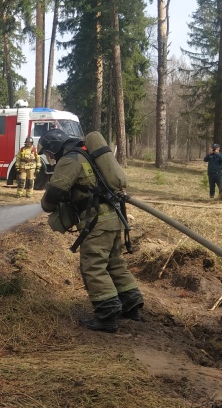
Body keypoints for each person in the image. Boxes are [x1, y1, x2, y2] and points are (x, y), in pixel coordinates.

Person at [39, 129, 145, 333]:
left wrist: (47, 205)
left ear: (54, 148)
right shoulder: (87, 155)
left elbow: (56, 190)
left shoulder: (70, 160)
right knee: (114, 262)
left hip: (97, 221)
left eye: (49, 154)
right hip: (114, 217)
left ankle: (107, 314)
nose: (50, 158)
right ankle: (131, 306)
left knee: (93, 266)